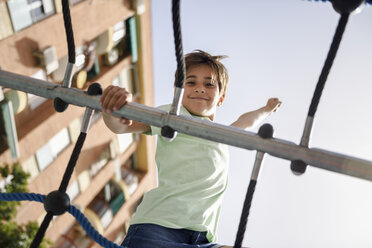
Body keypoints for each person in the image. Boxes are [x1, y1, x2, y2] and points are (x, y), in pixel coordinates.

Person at [100, 50, 281, 248]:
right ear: (178, 91)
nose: (200, 89)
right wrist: (111, 110)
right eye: (191, 82)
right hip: (159, 226)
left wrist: (266, 110)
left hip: (203, 237)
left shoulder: (221, 134)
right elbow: (122, 126)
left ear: (221, 98)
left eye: (209, 84)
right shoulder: (173, 115)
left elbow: (245, 122)